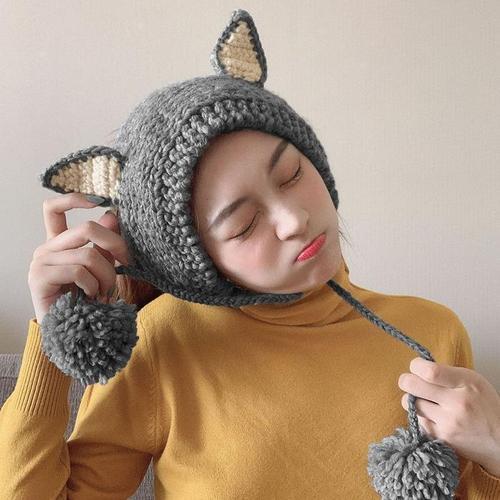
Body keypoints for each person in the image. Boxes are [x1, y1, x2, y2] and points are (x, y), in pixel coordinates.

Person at [1, 8, 500, 500]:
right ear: (197, 264)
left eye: (292, 174)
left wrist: (494, 452)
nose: (293, 220)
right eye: (243, 225)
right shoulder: (163, 342)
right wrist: (52, 341)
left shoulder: (432, 332)